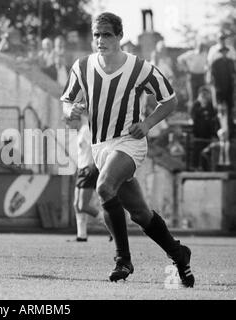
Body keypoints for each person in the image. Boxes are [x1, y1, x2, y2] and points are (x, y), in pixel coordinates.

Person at [60, 12, 195, 287]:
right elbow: (65, 104)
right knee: (140, 214)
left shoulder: (139, 68)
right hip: (100, 147)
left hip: (129, 142)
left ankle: (123, 259)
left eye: (107, 34)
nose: (100, 40)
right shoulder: (82, 66)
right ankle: (179, 253)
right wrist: (70, 110)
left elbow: (169, 101)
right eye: (96, 34)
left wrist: (147, 124)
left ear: (120, 36)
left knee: (104, 187)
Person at [66, 113, 108, 242]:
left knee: (83, 205)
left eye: (68, 122)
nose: (67, 126)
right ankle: (81, 235)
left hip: (88, 170)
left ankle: (111, 226)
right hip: (82, 169)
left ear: (76, 120)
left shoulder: (86, 130)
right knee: (76, 205)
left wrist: (93, 164)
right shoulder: (80, 132)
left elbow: (96, 146)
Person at [190, 86, 219, 170]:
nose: (204, 96)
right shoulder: (196, 105)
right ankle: (195, 167)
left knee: (207, 152)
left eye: (206, 94)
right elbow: (193, 117)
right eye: (202, 94)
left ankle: (207, 167)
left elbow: (214, 117)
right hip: (197, 135)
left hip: (208, 135)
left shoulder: (211, 105)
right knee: (196, 151)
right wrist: (202, 107)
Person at [209, 46, 235, 138]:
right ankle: (217, 131)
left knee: (229, 111)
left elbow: (233, 75)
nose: (224, 53)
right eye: (222, 51)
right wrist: (217, 90)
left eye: (225, 51)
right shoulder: (216, 63)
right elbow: (213, 77)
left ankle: (230, 133)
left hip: (229, 89)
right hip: (219, 90)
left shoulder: (230, 62)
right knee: (219, 111)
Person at [177, 40, 208, 112]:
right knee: (193, 97)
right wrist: (186, 68)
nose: (201, 48)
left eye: (202, 46)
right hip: (192, 77)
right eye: (200, 46)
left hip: (201, 76)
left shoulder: (205, 54)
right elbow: (180, 59)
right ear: (197, 46)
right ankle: (192, 116)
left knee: (202, 96)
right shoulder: (191, 53)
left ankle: (200, 115)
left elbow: (206, 63)